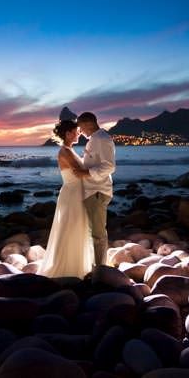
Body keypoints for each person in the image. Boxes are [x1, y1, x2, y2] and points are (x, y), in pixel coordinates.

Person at [38, 119, 94, 278]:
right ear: (68, 133)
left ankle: (78, 265)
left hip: (76, 193)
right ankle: (68, 268)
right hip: (72, 194)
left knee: (78, 228)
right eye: (76, 130)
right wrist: (101, 169)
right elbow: (79, 172)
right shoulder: (65, 152)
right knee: (71, 228)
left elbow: (81, 172)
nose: (79, 133)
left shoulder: (70, 150)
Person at [73, 112, 116, 267]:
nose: (80, 131)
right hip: (93, 190)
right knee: (95, 231)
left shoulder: (101, 139)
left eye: (81, 127)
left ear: (89, 123)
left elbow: (109, 166)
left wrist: (85, 173)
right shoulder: (95, 139)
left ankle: (100, 268)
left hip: (97, 191)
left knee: (98, 233)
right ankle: (97, 265)